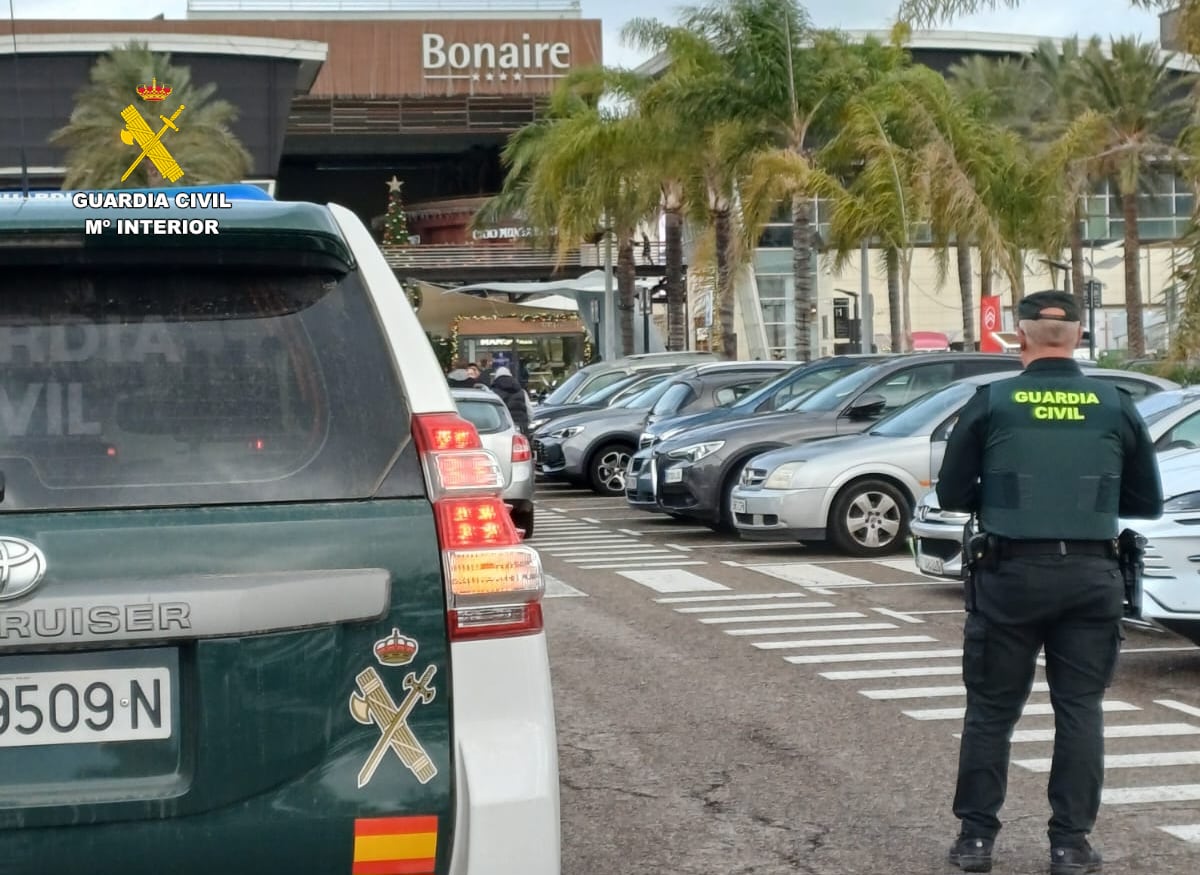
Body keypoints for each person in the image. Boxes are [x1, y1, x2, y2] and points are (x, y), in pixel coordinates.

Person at [937, 290, 1163, 875]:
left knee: (991, 712)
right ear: (1079, 335)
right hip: (1092, 578)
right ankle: (1070, 844)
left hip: (1010, 574)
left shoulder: (993, 401)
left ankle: (976, 841)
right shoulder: (1114, 403)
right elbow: (1147, 501)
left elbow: (952, 494)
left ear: (1022, 334)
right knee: (1080, 710)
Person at [490, 366, 531, 434]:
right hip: (519, 428)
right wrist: (525, 424)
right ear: (511, 376)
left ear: (496, 377)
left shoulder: (492, 393)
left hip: (500, 430)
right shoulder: (522, 392)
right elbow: (530, 412)